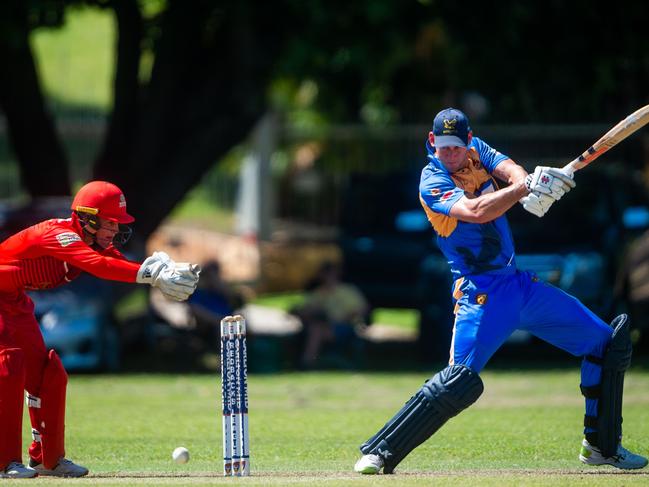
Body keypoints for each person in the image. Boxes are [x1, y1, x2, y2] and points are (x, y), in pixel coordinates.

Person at [354, 108, 648, 474]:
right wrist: (523, 189)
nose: (450, 154)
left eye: (456, 148)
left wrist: (533, 183)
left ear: (468, 140)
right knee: (457, 382)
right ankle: (380, 451)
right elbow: (475, 210)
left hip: (519, 285)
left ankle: (602, 446)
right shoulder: (430, 180)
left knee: (607, 344)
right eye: (443, 147)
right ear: (432, 142)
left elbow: (510, 169)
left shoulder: (478, 149)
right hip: (481, 294)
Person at [0, 181, 200, 478]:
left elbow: (112, 261)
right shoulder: (60, 235)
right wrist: (148, 274)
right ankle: (4, 463)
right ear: (87, 218)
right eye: (109, 223)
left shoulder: (92, 242)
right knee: (9, 368)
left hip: (14, 300)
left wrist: (156, 272)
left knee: (48, 375)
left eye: (117, 224)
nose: (114, 230)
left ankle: (47, 459)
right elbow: (95, 265)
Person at [294, 261, 368, 369]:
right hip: (323, 326)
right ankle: (309, 361)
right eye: (325, 273)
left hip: (345, 327)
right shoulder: (317, 294)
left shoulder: (347, 290)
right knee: (315, 328)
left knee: (316, 330)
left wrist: (346, 317)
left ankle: (307, 363)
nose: (328, 276)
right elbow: (302, 309)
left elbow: (363, 309)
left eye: (330, 273)